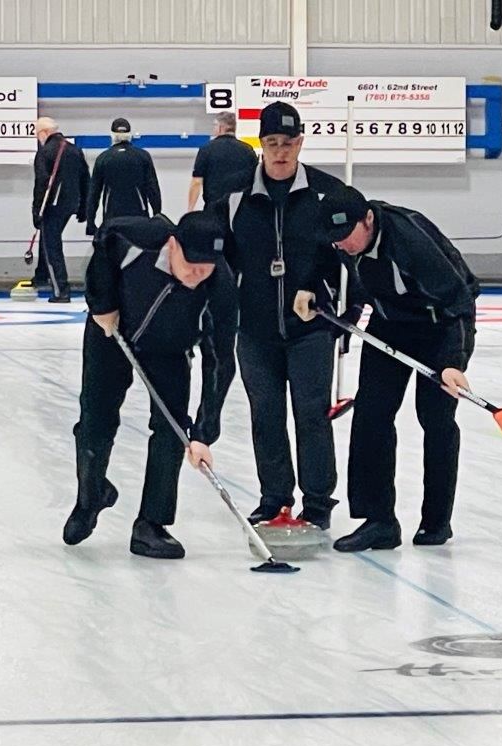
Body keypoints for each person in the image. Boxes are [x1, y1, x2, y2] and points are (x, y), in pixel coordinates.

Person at [294, 185, 479, 552]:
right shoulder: (342, 239)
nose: (341, 244)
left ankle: (436, 520)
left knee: (436, 418)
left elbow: (459, 301)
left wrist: (453, 362)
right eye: (335, 237)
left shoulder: (410, 240)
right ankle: (379, 520)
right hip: (389, 322)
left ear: (368, 219)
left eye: (346, 235)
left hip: (441, 325)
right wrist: (310, 286)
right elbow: (324, 256)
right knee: (371, 415)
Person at [62, 211, 238, 560]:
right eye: (191, 264)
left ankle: (151, 525)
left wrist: (203, 434)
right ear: (173, 245)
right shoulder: (137, 238)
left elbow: (220, 360)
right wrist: (102, 304)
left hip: (169, 350)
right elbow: (104, 242)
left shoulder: (220, 287)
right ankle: (90, 497)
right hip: (112, 329)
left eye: (206, 267)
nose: (197, 274)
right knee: (95, 419)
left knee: (172, 431)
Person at [211, 101, 344, 530]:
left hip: (311, 329)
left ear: (300, 142)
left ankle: (318, 501)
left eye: (288, 143)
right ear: (260, 144)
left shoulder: (326, 193)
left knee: (312, 414)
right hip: (254, 329)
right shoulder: (233, 196)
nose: (281, 152)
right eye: (272, 143)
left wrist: (320, 290)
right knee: (265, 414)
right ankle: (274, 497)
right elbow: (217, 258)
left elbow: (342, 257)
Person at [32, 117, 90, 302]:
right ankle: (42, 276)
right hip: (71, 204)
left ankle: (61, 290)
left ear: (44, 132)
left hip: (53, 204)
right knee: (49, 238)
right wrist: (84, 208)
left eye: (37, 134)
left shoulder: (45, 152)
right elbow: (85, 179)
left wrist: (36, 211)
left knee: (52, 246)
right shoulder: (74, 150)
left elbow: (41, 183)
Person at [85, 118, 162, 234]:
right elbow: (153, 189)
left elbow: (94, 194)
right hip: (139, 218)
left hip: (112, 218)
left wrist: (90, 223)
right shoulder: (143, 156)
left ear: (112, 135)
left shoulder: (103, 158)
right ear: (129, 134)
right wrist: (157, 215)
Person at [188, 111, 258, 210]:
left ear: (221, 127)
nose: (213, 129)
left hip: (214, 209)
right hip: (241, 209)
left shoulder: (206, 149)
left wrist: (190, 209)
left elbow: (197, 182)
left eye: (215, 125)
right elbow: (257, 180)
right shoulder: (248, 150)